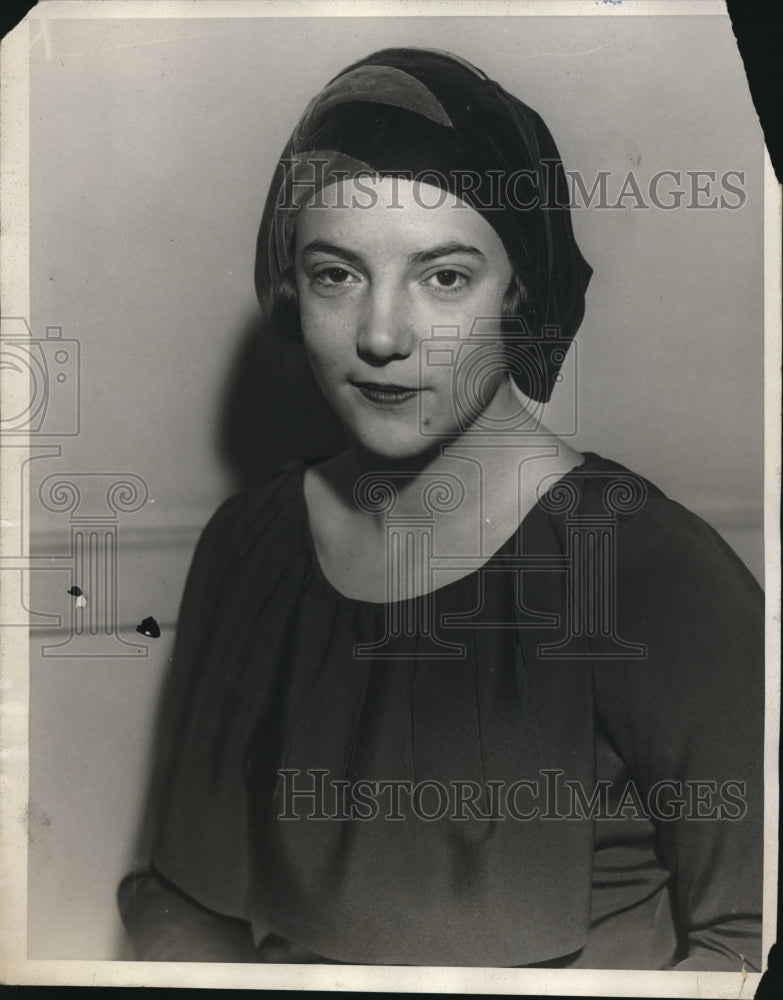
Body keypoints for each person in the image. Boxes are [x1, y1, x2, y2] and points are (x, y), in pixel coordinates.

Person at [118, 47, 764, 970]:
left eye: (443, 277)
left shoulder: (650, 573)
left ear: (522, 293)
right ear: (290, 286)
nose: (381, 335)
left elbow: (750, 943)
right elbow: (178, 901)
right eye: (336, 274)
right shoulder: (247, 547)